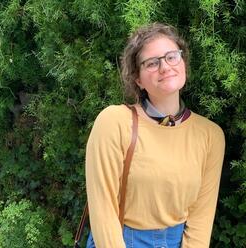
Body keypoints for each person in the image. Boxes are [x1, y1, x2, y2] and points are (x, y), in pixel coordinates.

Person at [85, 23, 225, 248]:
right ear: (138, 79)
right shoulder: (114, 122)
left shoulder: (210, 135)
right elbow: (103, 209)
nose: (165, 67)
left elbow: (201, 217)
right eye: (152, 63)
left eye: (172, 56)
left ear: (183, 63)